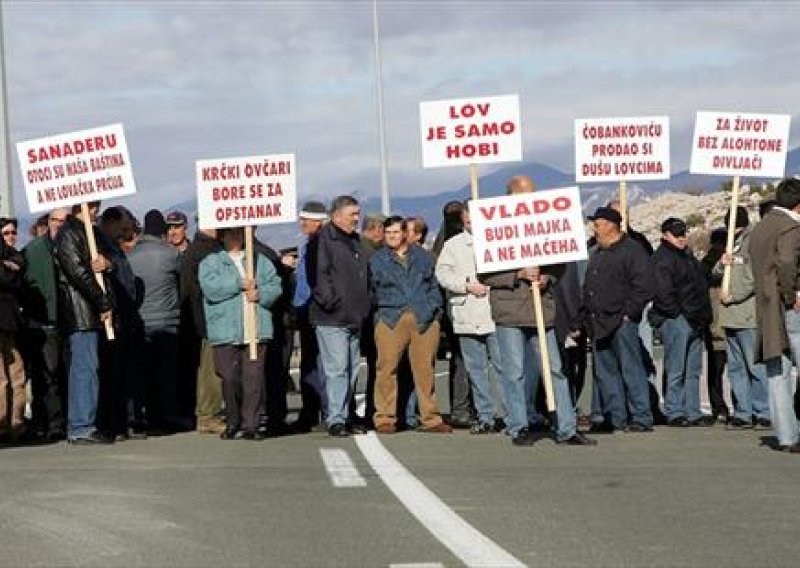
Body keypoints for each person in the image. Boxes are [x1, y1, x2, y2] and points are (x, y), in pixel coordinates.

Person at [481, 175, 596, 447]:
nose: (531, 199)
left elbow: (559, 266)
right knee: (515, 371)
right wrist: (517, 273)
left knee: (555, 369)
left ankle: (567, 428)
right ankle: (518, 425)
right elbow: (485, 274)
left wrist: (547, 278)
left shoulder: (544, 227)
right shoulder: (494, 229)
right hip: (510, 312)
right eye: (525, 194)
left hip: (542, 310)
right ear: (511, 197)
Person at [370, 216, 451, 434]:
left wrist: (435, 310)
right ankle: (385, 418)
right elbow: (371, 290)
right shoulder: (376, 259)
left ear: (405, 233)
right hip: (390, 318)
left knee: (425, 370)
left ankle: (431, 418)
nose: (391, 237)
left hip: (424, 318)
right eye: (388, 233)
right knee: (386, 369)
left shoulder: (424, 258)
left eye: (396, 232)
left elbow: (434, 285)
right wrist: (379, 312)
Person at [199, 227, 282, 440]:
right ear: (223, 236)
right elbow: (211, 289)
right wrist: (239, 283)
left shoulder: (259, 261)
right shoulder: (211, 262)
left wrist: (261, 294)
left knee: (253, 379)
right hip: (225, 330)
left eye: (239, 233)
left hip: (255, 328)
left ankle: (251, 425)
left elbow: (275, 286)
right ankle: (233, 419)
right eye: (230, 233)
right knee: (228, 377)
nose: (235, 237)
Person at [582, 206, 654, 433]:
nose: (595, 229)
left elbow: (644, 286)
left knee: (631, 369)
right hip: (598, 322)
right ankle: (616, 417)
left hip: (621, 322)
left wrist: (628, 313)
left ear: (611, 226)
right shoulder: (597, 252)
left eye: (598, 224)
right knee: (606, 373)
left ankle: (641, 417)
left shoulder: (633, 251)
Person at [435, 203, 505, 434]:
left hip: (496, 313)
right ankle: (485, 415)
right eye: (467, 220)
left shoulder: (499, 239)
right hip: (466, 313)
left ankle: (509, 414)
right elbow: (442, 274)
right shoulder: (452, 245)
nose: (471, 224)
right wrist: (465, 285)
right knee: (475, 370)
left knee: (505, 367)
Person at [308, 195, 371, 437]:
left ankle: (347, 414)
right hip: (332, 317)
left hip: (355, 315)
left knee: (352, 369)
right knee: (336, 369)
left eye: (357, 213)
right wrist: (331, 302)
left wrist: (366, 302)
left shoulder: (355, 241)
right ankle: (336, 418)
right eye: (352, 214)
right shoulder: (321, 240)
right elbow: (319, 276)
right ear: (336, 216)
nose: (357, 218)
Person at [53, 201, 114, 444]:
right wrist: (103, 302)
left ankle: (87, 421)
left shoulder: (92, 231)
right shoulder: (69, 233)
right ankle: (80, 426)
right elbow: (77, 272)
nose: (95, 208)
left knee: (91, 367)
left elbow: (112, 259)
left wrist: (107, 264)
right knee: (84, 369)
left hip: (90, 311)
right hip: (81, 312)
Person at [749, 178, 800, 453]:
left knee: (776, 373)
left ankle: (787, 435)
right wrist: (793, 296)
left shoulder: (762, 227)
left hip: (766, 307)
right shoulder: (790, 227)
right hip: (789, 306)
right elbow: (788, 262)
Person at [649, 217, 714, 427]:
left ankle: (692, 410)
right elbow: (662, 291)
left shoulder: (686, 256)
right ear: (665, 235)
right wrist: (677, 315)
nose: (681, 238)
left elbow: (700, 280)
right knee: (676, 368)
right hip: (677, 319)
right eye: (676, 234)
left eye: (683, 233)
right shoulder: (663, 258)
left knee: (693, 369)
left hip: (695, 318)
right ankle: (674, 411)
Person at [128, 210, 183, 432]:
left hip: (141, 321)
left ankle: (146, 416)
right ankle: (165, 417)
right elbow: (182, 281)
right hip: (167, 321)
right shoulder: (170, 254)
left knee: (144, 373)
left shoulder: (130, 257)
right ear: (162, 230)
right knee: (166, 374)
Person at [715, 207, 769, 429]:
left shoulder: (753, 242)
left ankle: (762, 411)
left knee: (754, 366)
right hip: (730, 316)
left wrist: (733, 295)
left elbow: (753, 275)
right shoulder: (731, 242)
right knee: (736, 368)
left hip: (747, 312)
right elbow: (718, 271)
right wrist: (722, 263)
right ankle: (743, 412)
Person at [97, 206, 146, 440]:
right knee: (112, 374)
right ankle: (113, 423)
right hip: (112, 319)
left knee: (124, 373)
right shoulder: (100, 246)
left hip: (125, 319)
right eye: (124, 225)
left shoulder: (114, 248)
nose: (127, 230)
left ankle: (124, 420)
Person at [22, 208, 68, 442]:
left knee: (63, 373)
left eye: (63, 220)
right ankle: (50, 423)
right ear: (48, 222)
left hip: (68, 321)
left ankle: (59, 421)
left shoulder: (72, 245)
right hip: (44, 322)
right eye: (55, 220)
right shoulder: (34, 250)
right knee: (47, 376)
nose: (58, 225)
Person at [181, 223, 225, 435]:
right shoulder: (202, 252)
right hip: (206, 318)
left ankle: (209, 413)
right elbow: (193, 291)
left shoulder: (201, 250)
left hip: (204, 317)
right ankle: (208, 415)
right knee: (211, 370)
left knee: (211, 368)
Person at [432, 200, 472, 427]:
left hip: (472, 305)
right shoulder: (447, 241)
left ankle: (469, 407)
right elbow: (441, 273)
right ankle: (461, 408)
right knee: (461, 359)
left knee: (468, 361)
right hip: (454, 306)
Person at [291, 201, 329, 433]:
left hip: (318, 308)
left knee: (324, 364)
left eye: (306, 219)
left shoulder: (323, 244)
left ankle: (326, 410)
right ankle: (310, 410)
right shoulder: (308, 244)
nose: (302, 223)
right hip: (305, 308)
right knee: (310, 363)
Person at [701, 227, 731, 424]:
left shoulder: (704, 264)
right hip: (727, 324)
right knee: (737, 369)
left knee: (716, 369)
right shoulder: (723, 263)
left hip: (713, 325)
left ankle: (717, 405)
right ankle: (729, 405)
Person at [0, 225, 26, 442]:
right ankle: (3, 423)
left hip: (10, 322)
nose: (10, 237)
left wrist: (11, 266)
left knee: (16, 376)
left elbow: (18, 268)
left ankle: (15, 423)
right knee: (2, 378)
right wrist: (8, 268)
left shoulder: (14, 255)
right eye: (5, 233)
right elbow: (8, 277)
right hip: (5, 320)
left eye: (13, 232)